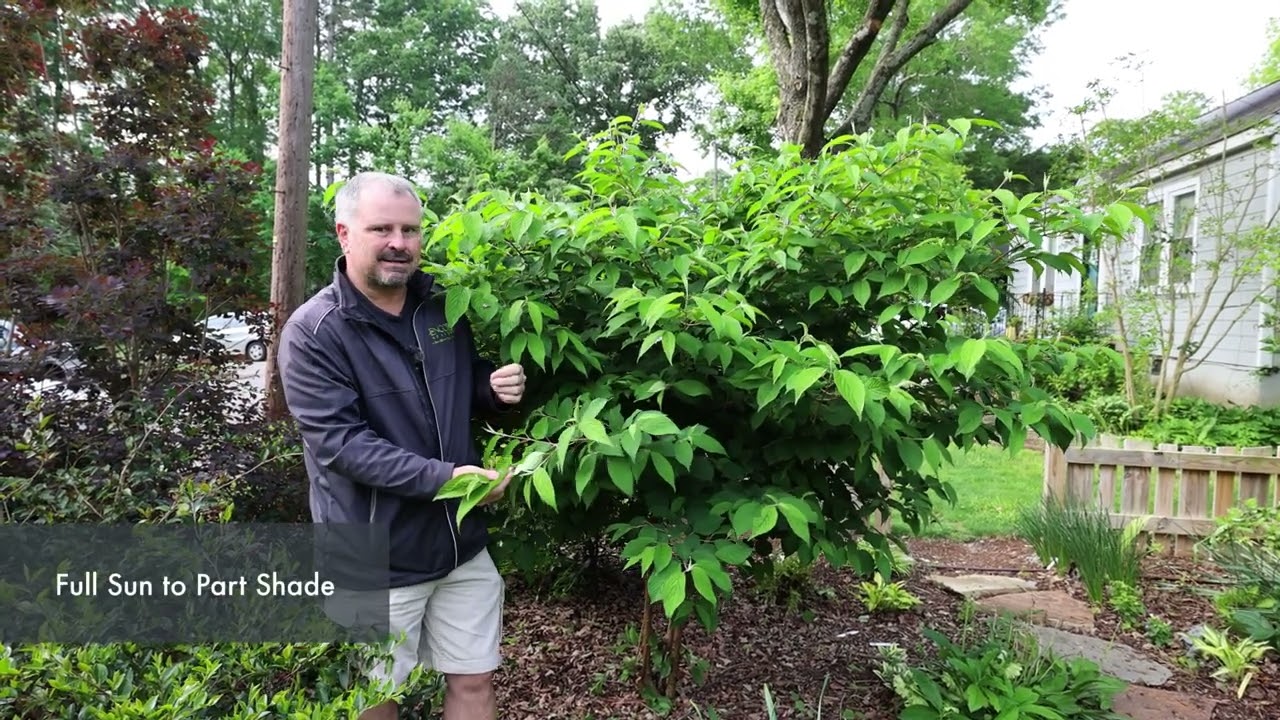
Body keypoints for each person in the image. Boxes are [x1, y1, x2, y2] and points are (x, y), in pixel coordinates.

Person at [277, 171, 524, 720]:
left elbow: (457, 386)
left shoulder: (439, 304)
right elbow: (342, 446)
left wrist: (490, 388)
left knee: (475, 679)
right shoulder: (314, 332)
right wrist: (453, 481)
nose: (399, 242)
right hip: (374, 558)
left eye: (410, 229)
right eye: (381, 228)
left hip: (460, 544)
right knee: (375, 700)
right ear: (344, 234)